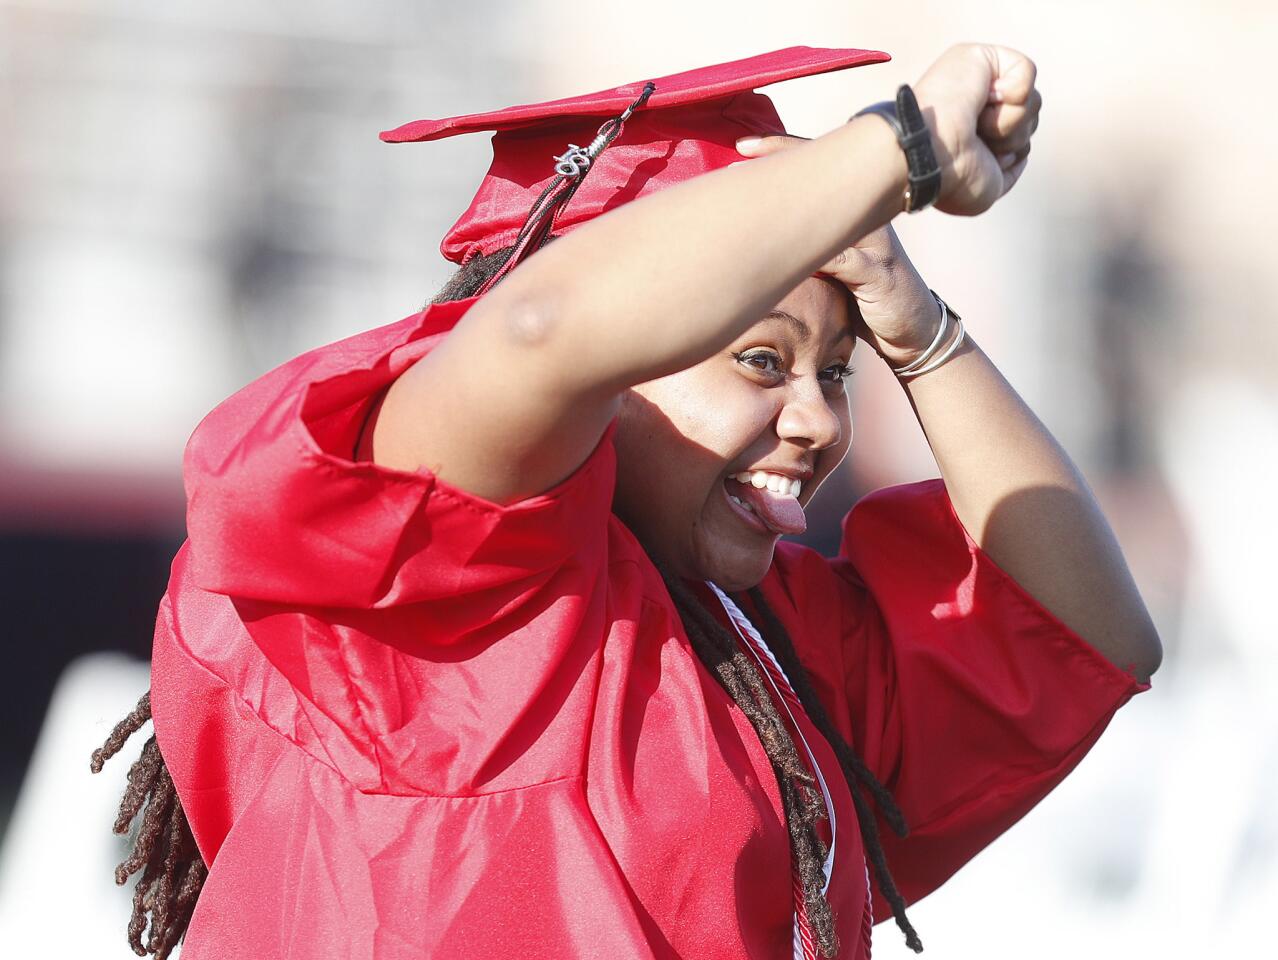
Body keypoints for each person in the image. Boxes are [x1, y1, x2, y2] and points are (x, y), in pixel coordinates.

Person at [91, 43, 1161, 960]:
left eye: (835, 370)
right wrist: (895, 149)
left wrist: (915, 320)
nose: (816, 421)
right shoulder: (440, 592)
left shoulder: (763, 644)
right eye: (758, 359)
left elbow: (1077, 632)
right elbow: (541, 334)